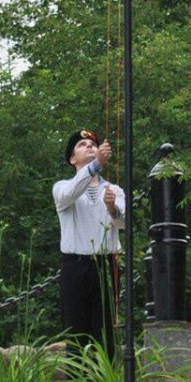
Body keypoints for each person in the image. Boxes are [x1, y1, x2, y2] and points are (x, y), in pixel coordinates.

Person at [53, 129, 124, 360]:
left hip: (106, 265)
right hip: (75, 266)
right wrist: (96, 166)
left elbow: (124, 224)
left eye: (92, 144)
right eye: (82, 145)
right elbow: (70, 194)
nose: (90, 146)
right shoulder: (62, 186)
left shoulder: (114, 190)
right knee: (75, 336)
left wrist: (113, 208)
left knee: (106, 336)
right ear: (73, 159)